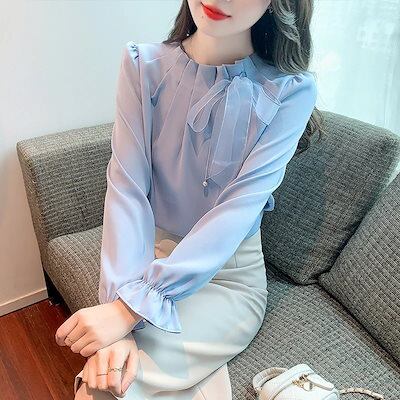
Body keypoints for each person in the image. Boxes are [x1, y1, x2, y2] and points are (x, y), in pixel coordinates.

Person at [55, 0, 324, 398]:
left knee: (114, 386)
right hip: (147, 258)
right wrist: (121, 302)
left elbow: (238, 210)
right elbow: (127, 190)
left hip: (229, 280)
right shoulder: (143, 66)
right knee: (105, 382)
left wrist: (129, 310)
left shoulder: (291, 91)